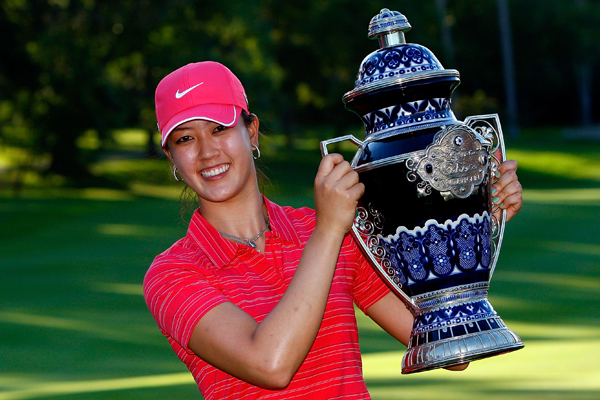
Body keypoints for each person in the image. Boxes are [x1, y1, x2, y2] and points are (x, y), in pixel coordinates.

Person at [143, 61, 523, 399]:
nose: (207, 152)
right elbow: (270, 365)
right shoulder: (173, 274)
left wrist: (473, 208)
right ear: (172, 157)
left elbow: (448, 345)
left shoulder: (329, 228)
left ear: (252, 132)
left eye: (219, 129)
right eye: (186, 139)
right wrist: (328, 230)